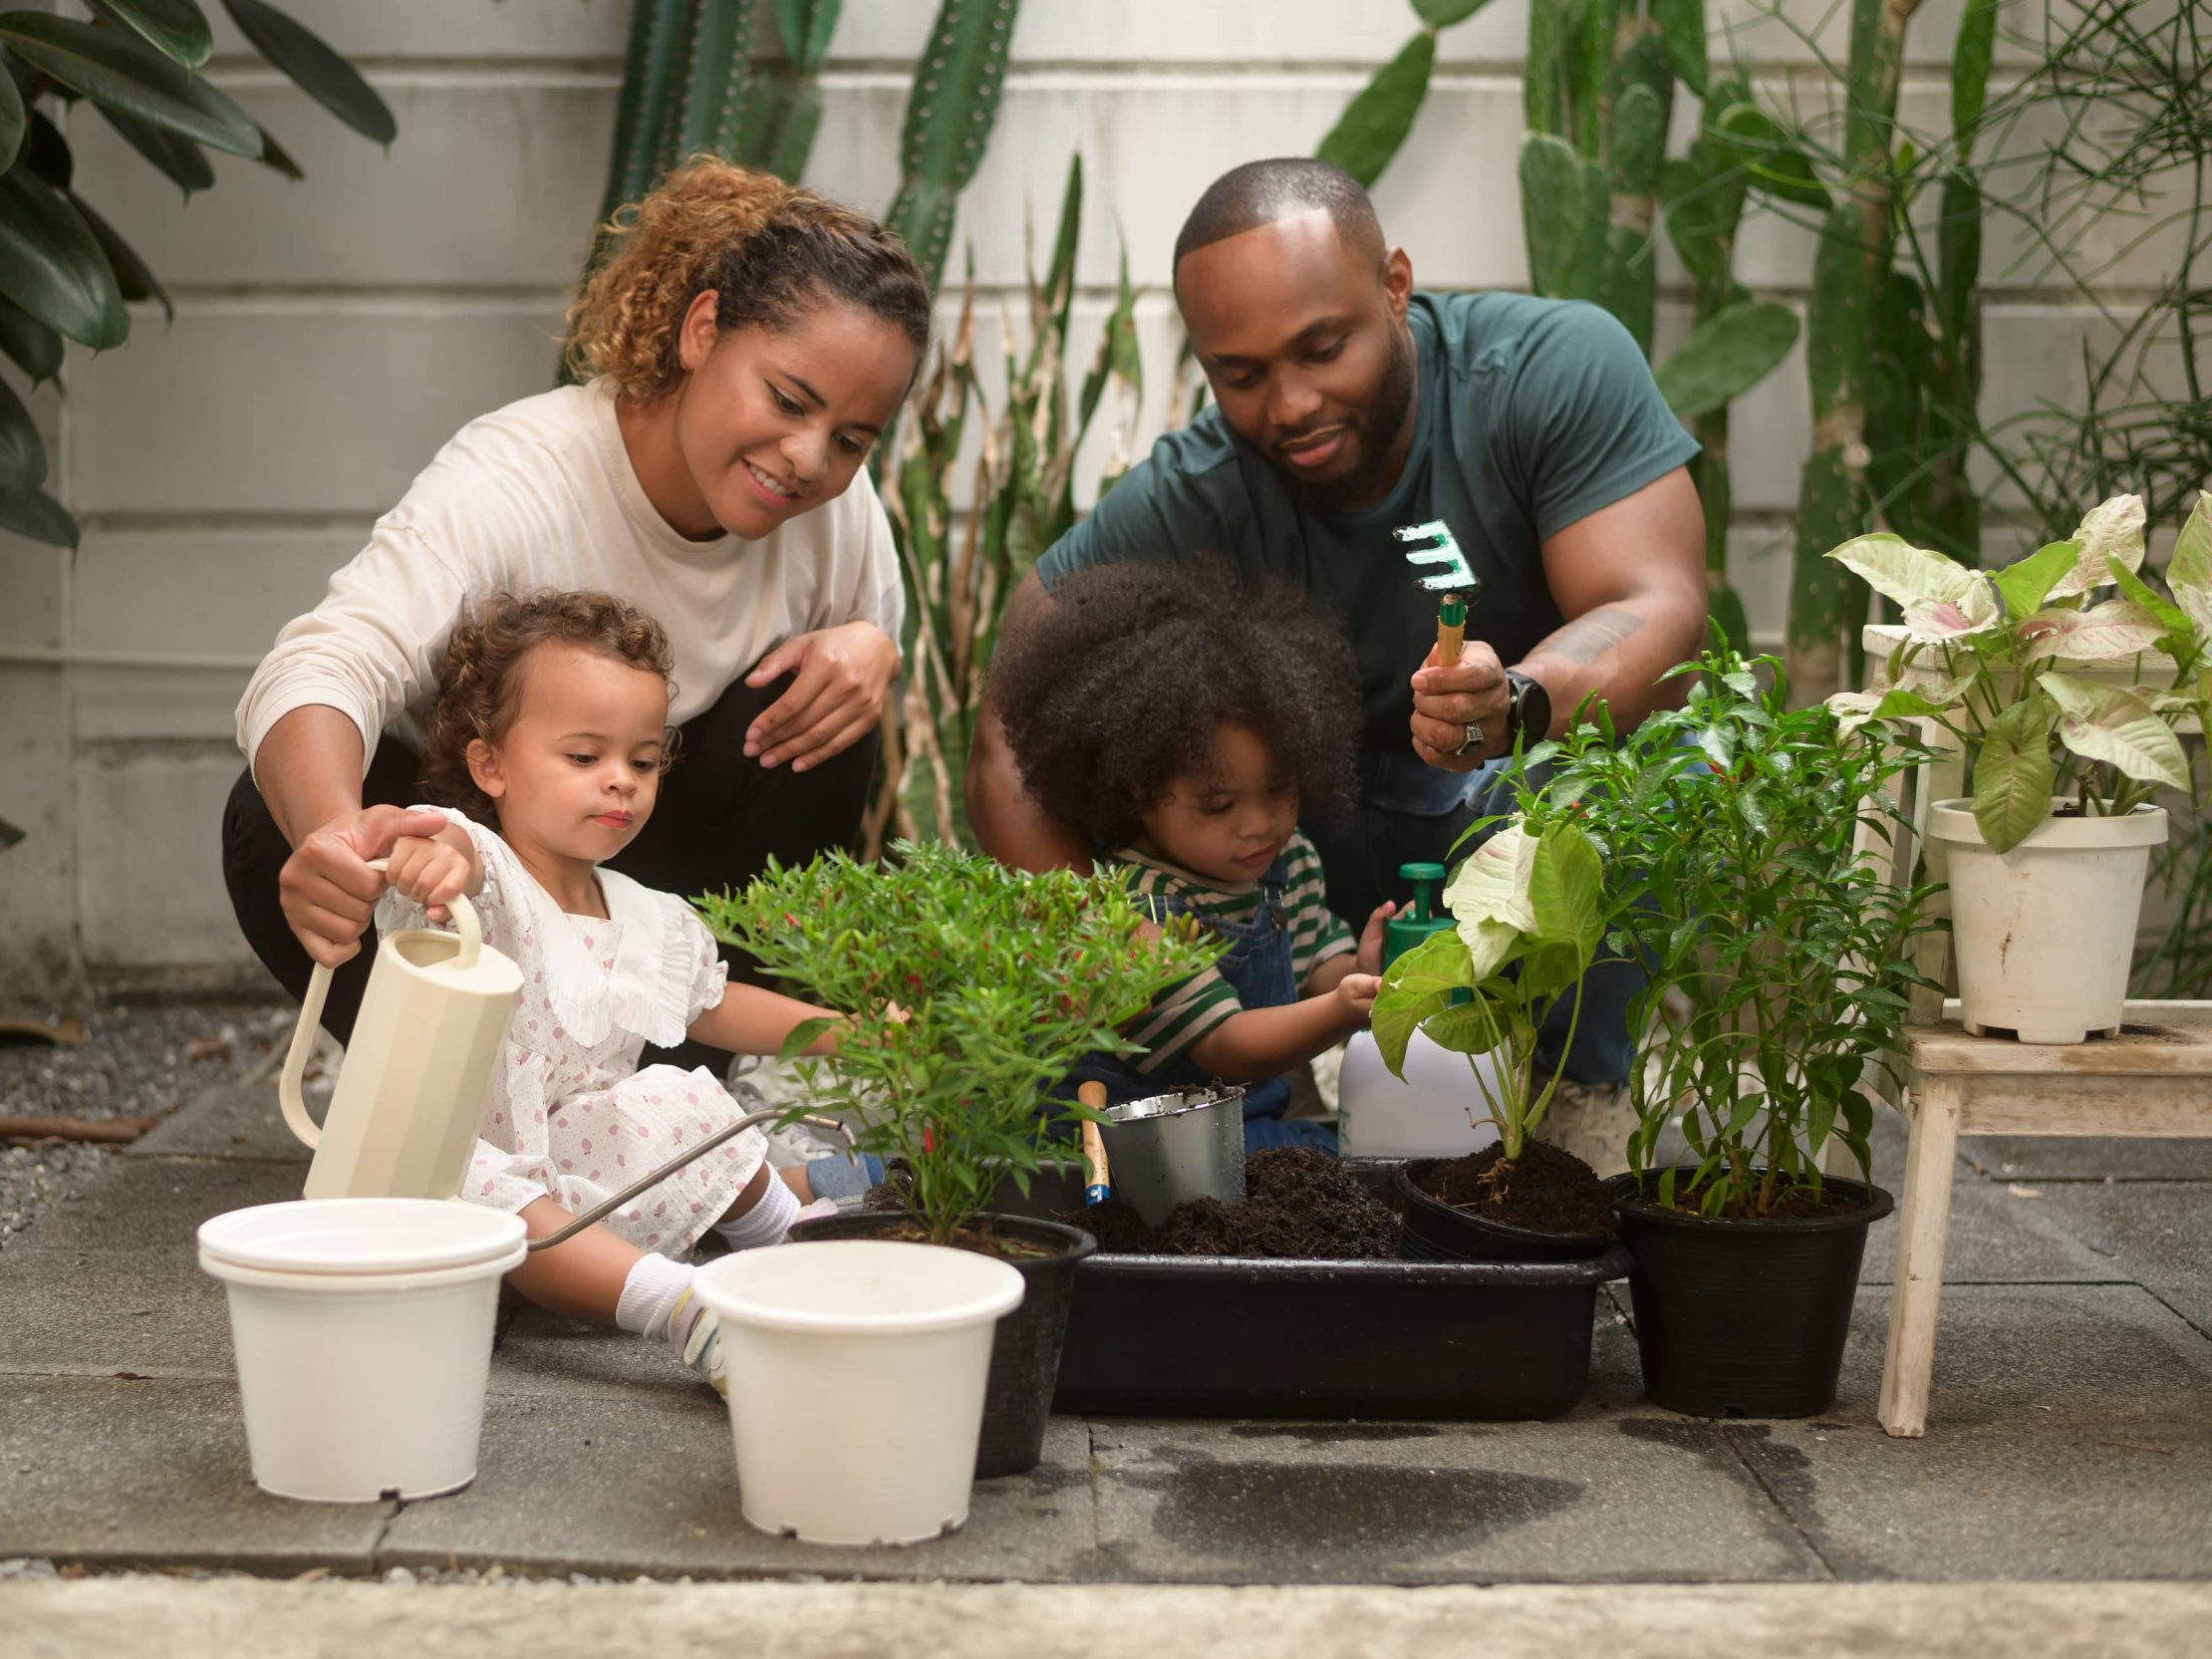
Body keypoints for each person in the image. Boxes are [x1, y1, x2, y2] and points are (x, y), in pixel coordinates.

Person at [968, 157, 1707, 1083]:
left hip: (1511, 810)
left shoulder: (1542, 371)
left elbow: (1656, 607)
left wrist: (1518, 699)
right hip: (1313, 850)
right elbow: (1011, 723)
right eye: (1238, 375)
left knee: (1603, 778)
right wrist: (1102, 953)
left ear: (1396, 286)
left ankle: (1568, 1101)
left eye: (1322, 350)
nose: (1292, 405)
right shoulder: (1198, 489)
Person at [225, 158, 931, 1061]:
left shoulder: (835, 517)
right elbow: (326, 661)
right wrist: (332, 831)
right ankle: (456, 1091)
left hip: (640, 881)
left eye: (851, 440)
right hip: (460, 880)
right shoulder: (517, 476)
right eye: (787, 400)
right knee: (263, 814)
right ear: (703, 330)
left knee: (827, 716)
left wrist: (872, 645)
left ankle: (677, 1075)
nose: (806, 458)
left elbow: (857, 665)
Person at [376, 589, 869, 1392]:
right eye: (584, 758)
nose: (621, 784)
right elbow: (450, 845)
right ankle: (681, 1308)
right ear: (490, 763)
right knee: (477, 1178)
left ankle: (786, 1242)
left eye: (641, 762)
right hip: (467, 1183)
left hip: (586, 1174)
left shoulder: (646, 913)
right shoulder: (490, 874)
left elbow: (718, 1005)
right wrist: (440, 860)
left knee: (682, 1100)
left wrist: (847, 1030)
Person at [984, 564, 1394, 1149]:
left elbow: (1315, 968)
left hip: (1243, 1124)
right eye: (1219, 804)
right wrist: (1341, 1011)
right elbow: (1224, 1045)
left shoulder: (1287, 861)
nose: (1259, 825)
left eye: (1280, 790)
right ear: (1136, 792)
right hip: (1147, 1141)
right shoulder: (1134, 906)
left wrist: (1359, 971)